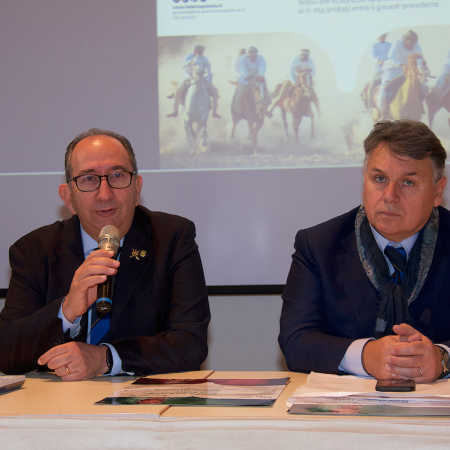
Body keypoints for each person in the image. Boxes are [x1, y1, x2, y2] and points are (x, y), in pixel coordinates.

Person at [0, 129, 210, 380]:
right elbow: (6, 352)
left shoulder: (173, 238)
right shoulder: (33, 251)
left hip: (142, 395)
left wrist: (104, 358)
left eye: (117, 175)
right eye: (89, 179)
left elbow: (190, 342)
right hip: (62, 397)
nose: (105, 194)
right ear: (68, 198)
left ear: (137, 188)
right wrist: (66, 311)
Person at [279, 119, 450, 384]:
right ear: (364, 181)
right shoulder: (319, 245)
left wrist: (442, 357)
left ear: (438, 191)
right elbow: (296, 340)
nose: (390, 196)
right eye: (379, 179)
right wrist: (366, 356)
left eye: (408, 182)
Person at [377, 30, 423, 118]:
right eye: (410, 43)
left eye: (413, 43)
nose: (412, 45)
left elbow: (420, 58)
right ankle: (383, 114)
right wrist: (401, 64)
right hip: (393, 72)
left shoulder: (416, 45)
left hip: (408, 74)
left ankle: (420, 108)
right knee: (382, 97)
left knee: (424, 88)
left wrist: (420, 68)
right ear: (405, 40)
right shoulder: (397, 43)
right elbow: (391, 57)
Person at [167, 45, 221, 119]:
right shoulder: (190, 56)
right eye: (198, 52)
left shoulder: (204, 59)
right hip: (188, 78)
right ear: (195, 52)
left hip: (202, 79)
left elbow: (209, 70)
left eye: (201, 52)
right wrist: (191, 61)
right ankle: (175, 111)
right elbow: (183, 65)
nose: (200, 54)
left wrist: (208, 80)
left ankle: (214, 112)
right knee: (178, 91)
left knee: (215, 90)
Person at [267, 49, 319, 117]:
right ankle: (270, 110)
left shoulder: (310, 61)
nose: (304, 57)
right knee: (281, 95)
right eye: (303, 55)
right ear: (300, 55)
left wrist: (306, 75)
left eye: (306, 56)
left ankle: (319, 113)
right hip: (291, 78)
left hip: (303, 79)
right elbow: (290, 72)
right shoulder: (295, 60)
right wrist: (294, 82)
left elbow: (313, 72)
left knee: (314, 95)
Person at [233, 46, 270, 115]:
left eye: (254, 56)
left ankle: (266, 109)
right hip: (246, 80)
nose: (252, 57)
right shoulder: (243, 58)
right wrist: (246, 76)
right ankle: (238, 110)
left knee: (268, 95)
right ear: (248, 55)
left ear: (256, 54)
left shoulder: (260, 58)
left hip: (258, 79)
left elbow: (263, 66)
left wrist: (261, 75)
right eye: (251, 56)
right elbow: (241, 67)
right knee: (239, 93)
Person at [365, 34, 391, 112]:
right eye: (381, 35)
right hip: (379, 70)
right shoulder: (374, 46)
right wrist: (378, 61)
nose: (382, 37)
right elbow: (372, 57)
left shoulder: (390, 45)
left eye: (384, 35)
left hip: (390, 70)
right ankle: (369, 108)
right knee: (372, 85)